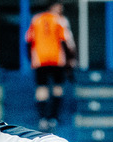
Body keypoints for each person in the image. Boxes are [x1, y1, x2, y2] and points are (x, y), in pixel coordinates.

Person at [25, 2, 76, 131]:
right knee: (57, 88)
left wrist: (31, 59)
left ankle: (43, 118)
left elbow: (28, 40)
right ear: (53, 7)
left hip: (40, 60)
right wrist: (71, 60)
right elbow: (66, 41)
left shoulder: (36, 19)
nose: (61, 10)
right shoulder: (60, 20)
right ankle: (53, 117)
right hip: (57, 59)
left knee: (42, 89)